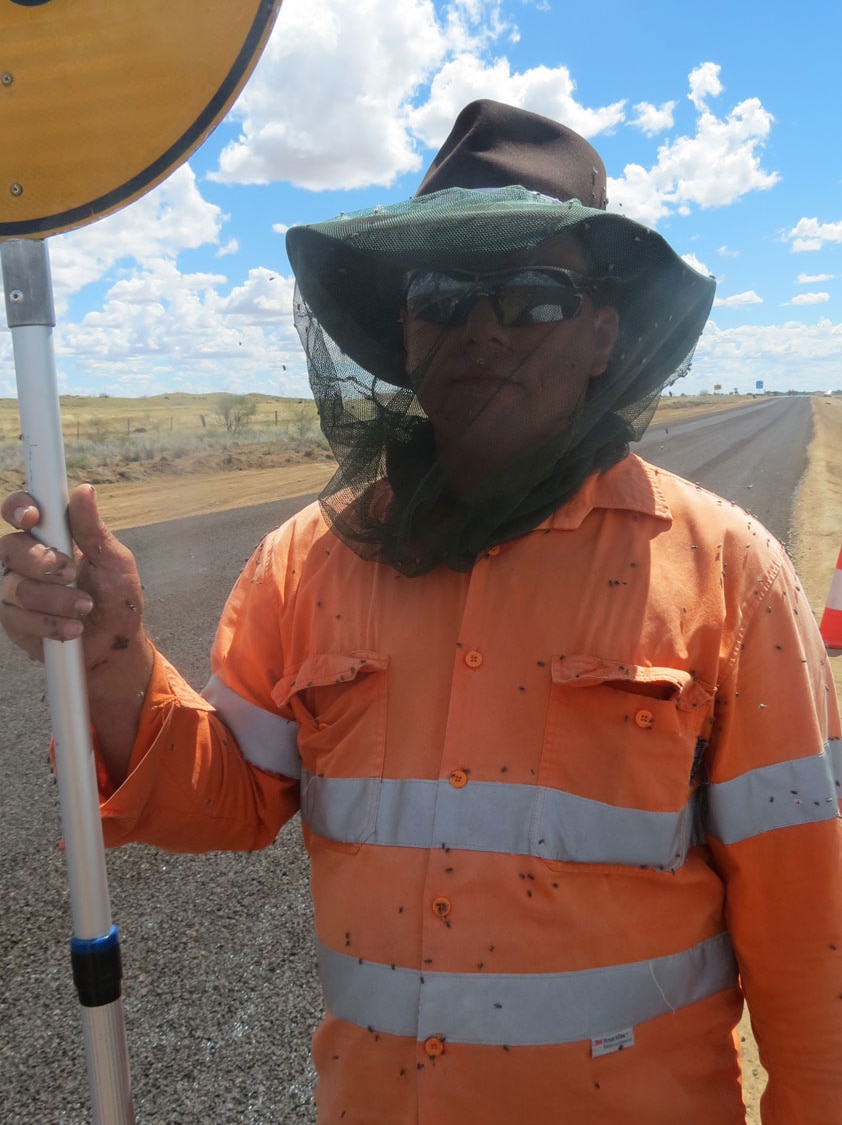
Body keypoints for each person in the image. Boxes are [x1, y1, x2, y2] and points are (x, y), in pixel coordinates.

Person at [1, 100, 841, 1124]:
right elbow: (225, 801)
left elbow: (811, 932)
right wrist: (111, 656)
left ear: (600, 336)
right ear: (404, 331)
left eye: (532, 297)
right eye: (443, 294)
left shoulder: (728, 574)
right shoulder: (307, 562)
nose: (483, 328)